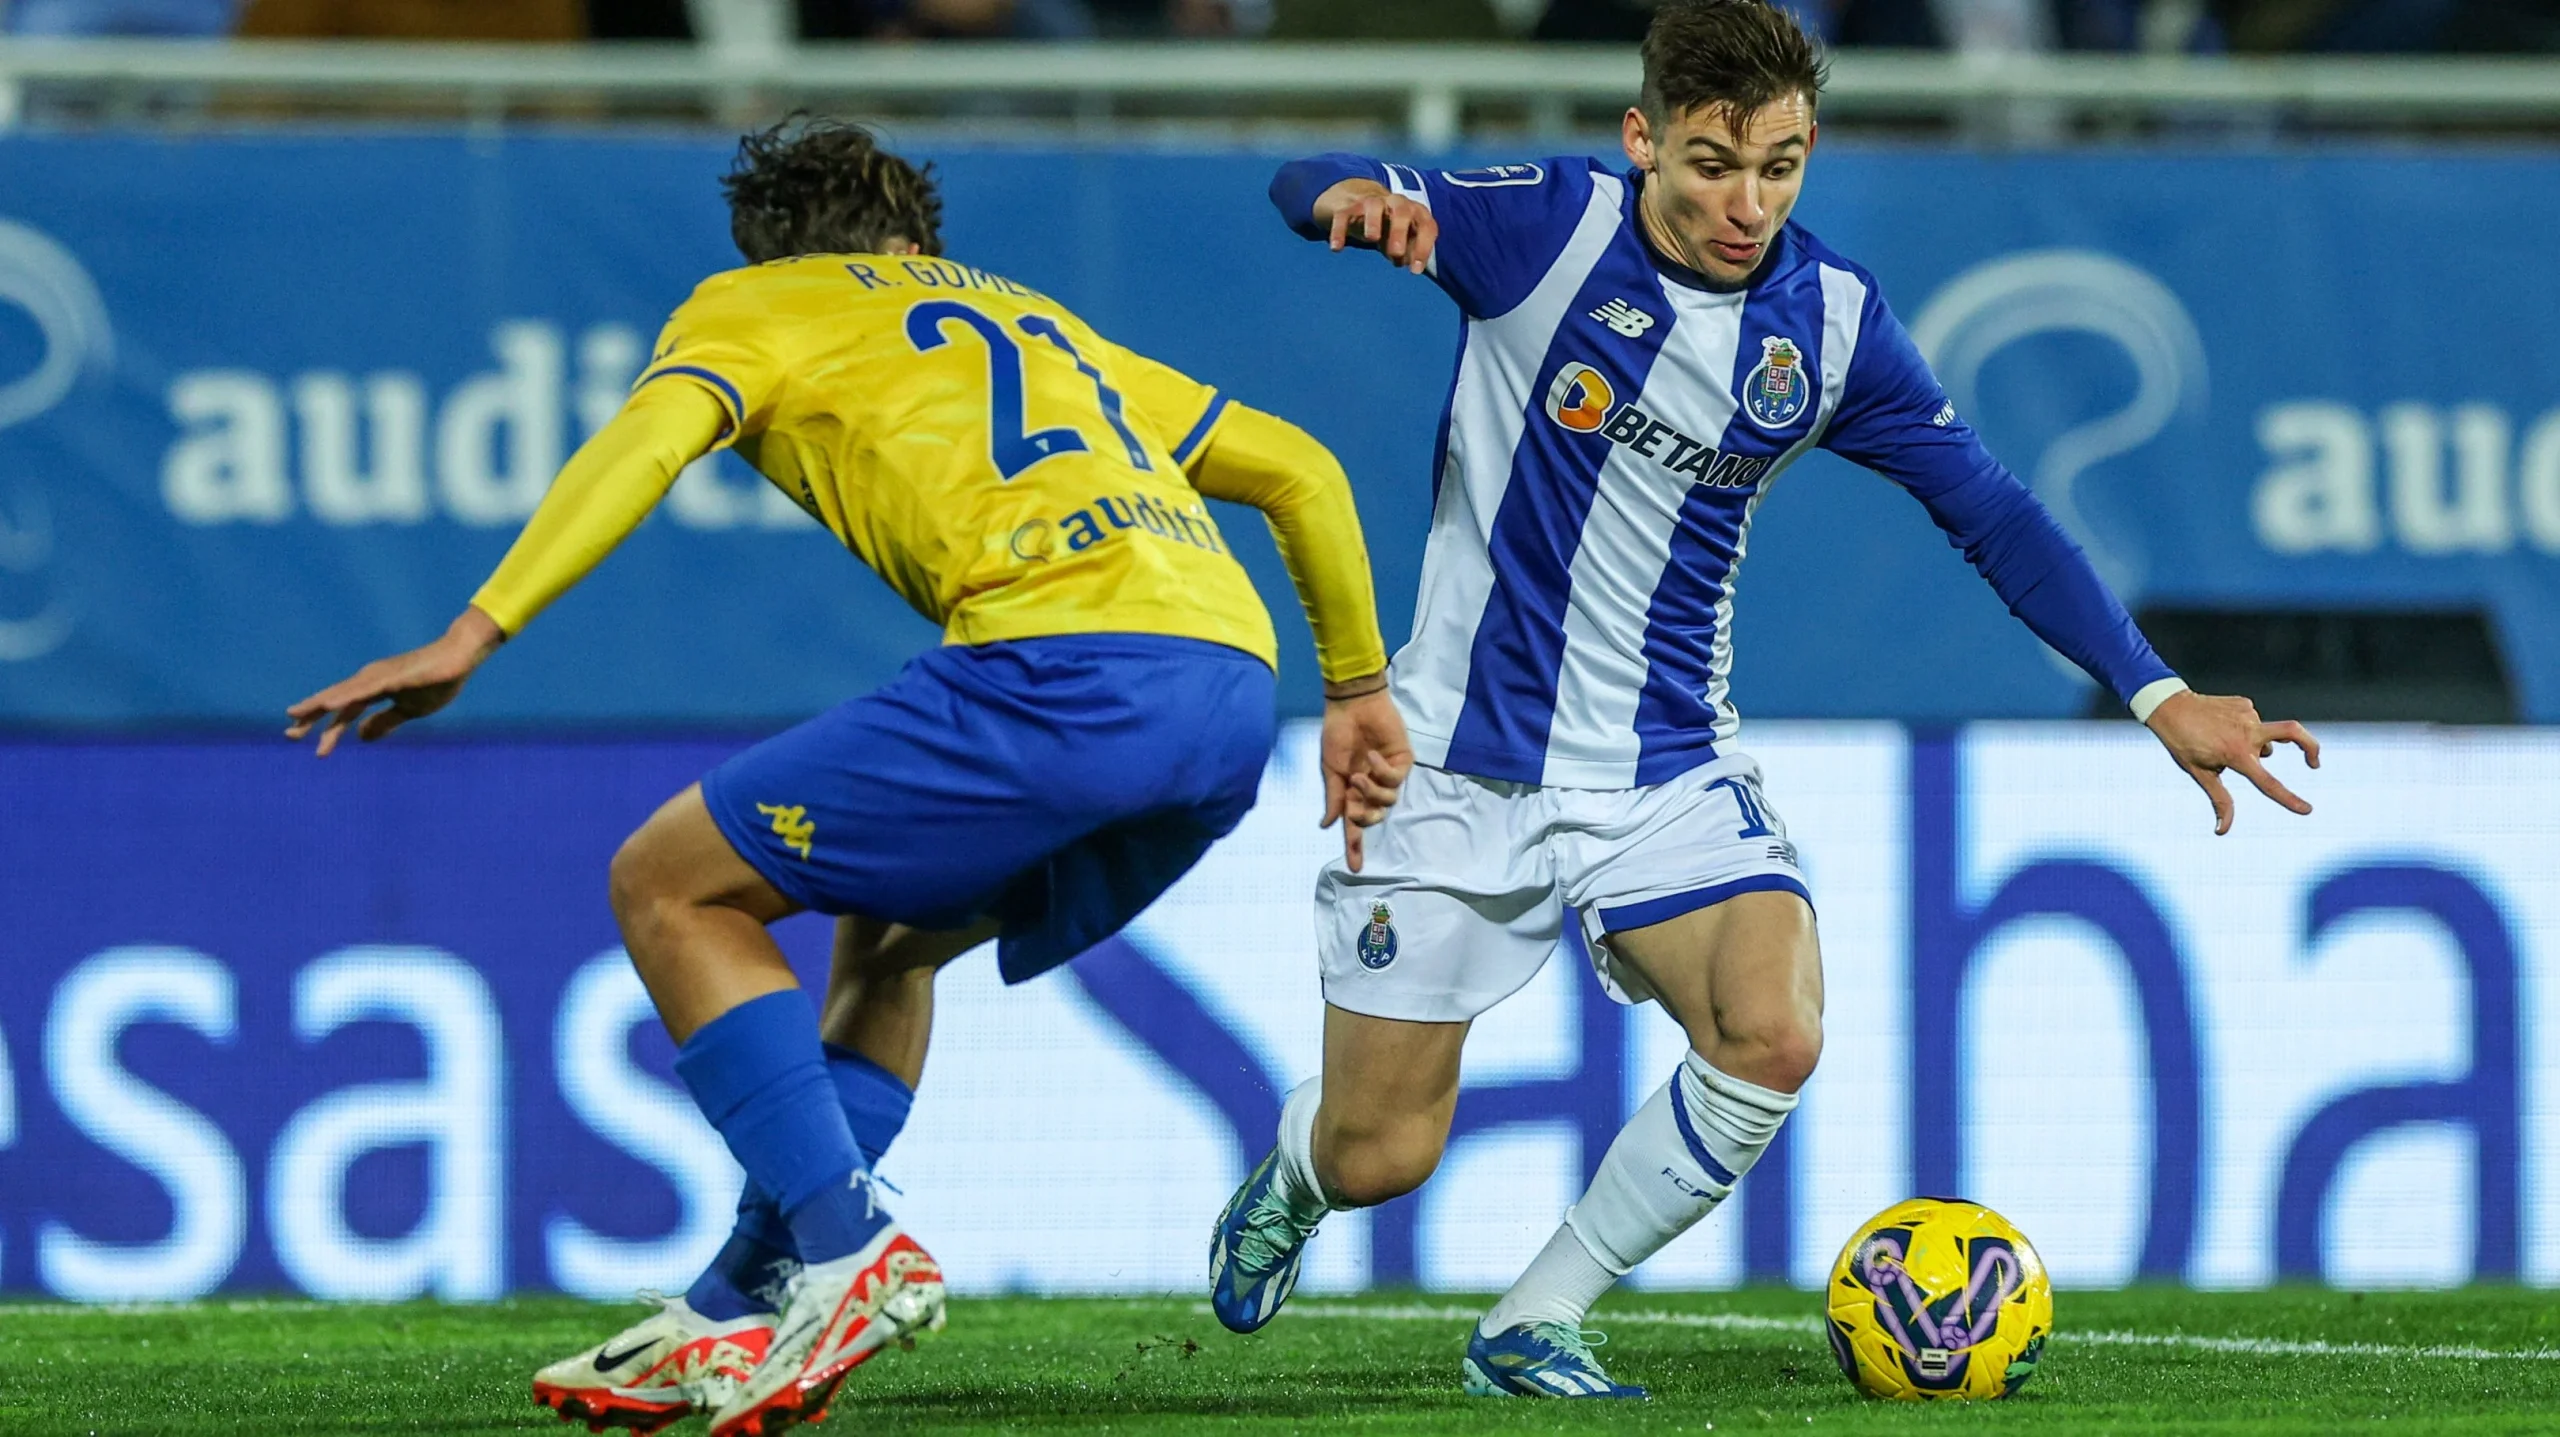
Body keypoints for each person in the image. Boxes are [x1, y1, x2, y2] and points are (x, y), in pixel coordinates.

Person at [1209, 0, 2319, 1399]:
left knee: (1776, 1024)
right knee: (1385, 1155)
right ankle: (1301, 1177)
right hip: (1452, 767)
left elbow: (1993, 511)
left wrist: (2157, 693)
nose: (1748, 203)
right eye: (1714, 164)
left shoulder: (1832, 324)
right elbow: (1298, 179)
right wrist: (1349, 199)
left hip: (1668, 767)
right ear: (1644, 143)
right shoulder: (1543, 228)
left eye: (1781, 166)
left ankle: (1532, 1320)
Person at [286, 119, 1411, 1437]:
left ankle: (845, 1247)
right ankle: (732, 1309)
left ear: (774, 244)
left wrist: (474, 634)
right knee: (890, 938)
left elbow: (646, 446)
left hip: (1063, 669)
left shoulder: (758, 303)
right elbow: (1302, 472)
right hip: (1225, 697)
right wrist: (1353, 690)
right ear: (916, 237)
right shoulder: (1036, 320)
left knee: (667, 887)